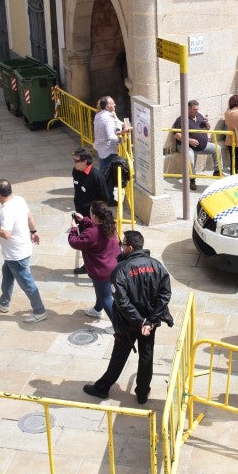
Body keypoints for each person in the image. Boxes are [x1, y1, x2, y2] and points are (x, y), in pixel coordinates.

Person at [83, 230, 173, 404]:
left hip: (127, 324)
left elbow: (122, 302)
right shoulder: (157, 266)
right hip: (149, 324)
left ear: (130, 248)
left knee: (119, 357)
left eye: (122, 244)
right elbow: (165, 295)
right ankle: (142, 393)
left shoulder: (120, 270)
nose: (121, 247)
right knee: (146, 357)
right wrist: (150, 321)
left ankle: (102, 388)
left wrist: (141, 321)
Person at [0, 179, 47, 321]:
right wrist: (33, 231)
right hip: (16, 251)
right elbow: (29, 216)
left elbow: (6, 234)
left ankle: (40, 311)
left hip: (16, 255)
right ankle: (3, 303)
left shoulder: (6, 211)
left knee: (27, 283)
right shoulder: (19, 199)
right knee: (7, 274)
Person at [68, 200, 120, 321]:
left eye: (90, 213)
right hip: (113, 266)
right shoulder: (110, 225)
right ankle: (97, 309)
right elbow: (96, 227)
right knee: (101, 291)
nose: (89, 214)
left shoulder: (91, 233)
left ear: (95, 216)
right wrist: (84, 220)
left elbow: (74, 242)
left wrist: (73, 229)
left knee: (106, 298)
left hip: (102, 271)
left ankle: (117, 326)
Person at [172, 99, 216, 190]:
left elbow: (207, 128)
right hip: (186, 146)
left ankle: (217, 171)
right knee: (190, 156)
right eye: (195, 109)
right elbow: (176, 134)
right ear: (188, 109)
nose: (197, 111)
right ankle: (192, 180)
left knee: (217, 148)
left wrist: (207, 123)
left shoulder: (199, 116)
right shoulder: (181, 119)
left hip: (202, 145)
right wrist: (188, 140)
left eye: (197, 109)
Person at [93, 96, 130, 193]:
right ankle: (107, 196)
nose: (115, 105)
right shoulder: (108, 118)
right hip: (108, 149)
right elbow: (111, 136)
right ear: (107, 107)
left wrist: (121, 129)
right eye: (112, 103)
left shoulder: (99, 115)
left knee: (103, 172)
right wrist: (120, 139)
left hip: (101, 148)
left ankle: (102, 193)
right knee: (108, 175)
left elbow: (114, 126)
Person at [70, 148, 108, 217]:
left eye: (76, 161)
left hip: (92, 214)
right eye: (73, 160)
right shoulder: (76, 171)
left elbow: (104, 198)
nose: (74, 163)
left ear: (85, 162)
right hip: (79, 209)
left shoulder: (97, 176)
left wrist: (96, 214)